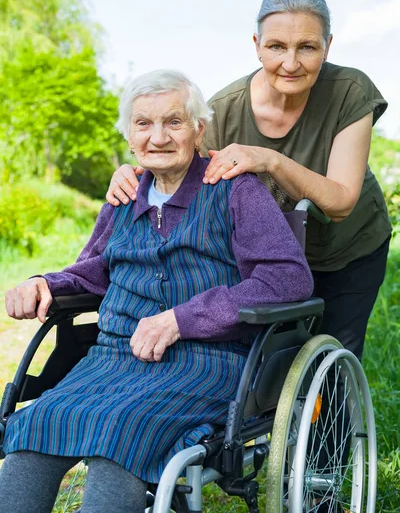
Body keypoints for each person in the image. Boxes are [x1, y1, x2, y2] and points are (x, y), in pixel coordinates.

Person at [0, 70, 313, 513]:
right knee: (35, 425)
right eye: (144, 124)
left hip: (205, 363)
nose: (159, 137)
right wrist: (44, 283)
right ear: (130, 135)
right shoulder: (126, 196)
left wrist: (183, 319)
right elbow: (95, 271)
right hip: (111, 361)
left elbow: (287, 279)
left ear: (199, 130)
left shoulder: (235, 190)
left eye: (175, 122)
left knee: (126, 432)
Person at [106, 0, 392, 362]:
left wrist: (270, 160)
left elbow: (340, 201)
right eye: (276, 47)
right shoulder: (223, 111)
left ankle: (339, 420)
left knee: (334, 356)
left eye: (307, 47)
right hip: (267, 256)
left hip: (347, 247)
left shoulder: (349, 91)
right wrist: (129, 174)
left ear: (327, 47)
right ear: (257, 45)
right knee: (273, 362)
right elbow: (171, 160)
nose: (290, 63)